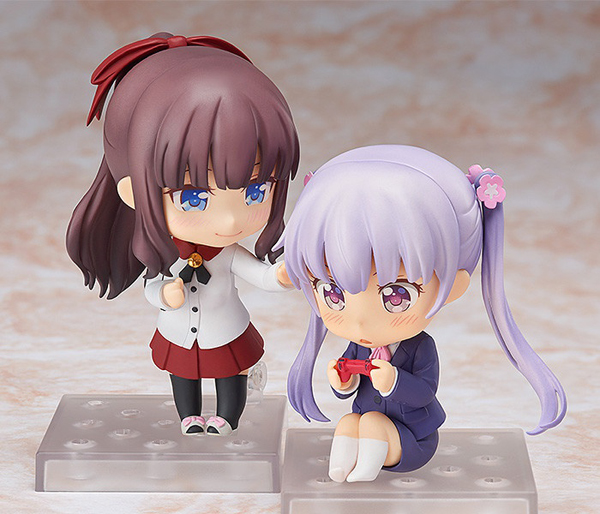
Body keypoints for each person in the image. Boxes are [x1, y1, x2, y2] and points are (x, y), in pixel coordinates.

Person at [278, 145, 566, 481]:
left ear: (454, 286)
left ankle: (366, 471)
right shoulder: (358, 346)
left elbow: (425, 392)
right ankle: (341, 469)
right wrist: (343, 381)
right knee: (348, 421)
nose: (360, 321)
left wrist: (393, 380)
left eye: (396, 295)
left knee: (372, 423)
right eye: (332, 293)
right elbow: (349, 388)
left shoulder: (420, 347)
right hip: (369, 420)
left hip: (413, 438)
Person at [66, 33, 299, 436]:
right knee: (182, 375)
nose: (231, 221)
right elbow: (152, 285)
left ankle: (227, 417)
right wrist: (164, 295)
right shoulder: (162, 251)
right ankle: (189, 416)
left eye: (256, 190)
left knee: (229, 373)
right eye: (193, 196)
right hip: (177, 332)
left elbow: (260, 275)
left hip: (226, 330)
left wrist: (280, 275)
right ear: (132, 192)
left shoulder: (228, 254)